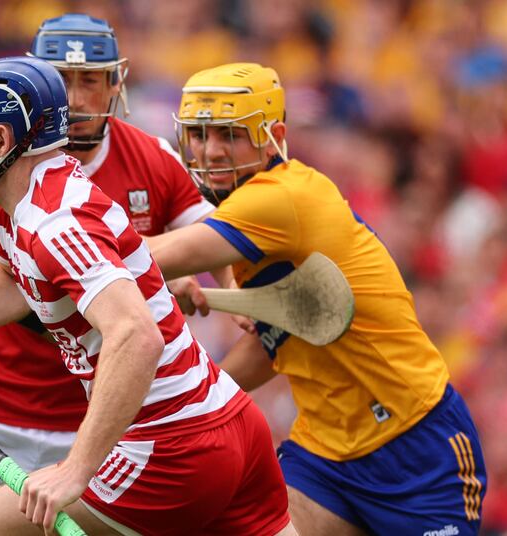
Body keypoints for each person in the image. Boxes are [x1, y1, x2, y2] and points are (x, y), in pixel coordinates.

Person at [0, 56, 295, 535]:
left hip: (170, 446)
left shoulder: (54, 224)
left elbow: (136, 335)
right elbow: (11, 263)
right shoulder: (31, 195)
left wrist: (76, 468)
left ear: (0, 140)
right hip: (228, 418)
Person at [0, 15, 222, 536]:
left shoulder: (147, 160)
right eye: (61, 79)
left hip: (97, 418)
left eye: (90, 79)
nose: (75, 95)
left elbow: (213, 244)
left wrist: (162, 276)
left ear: (116, 83)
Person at [147, 62, 488, 536]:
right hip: (325, 455)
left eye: (231, 134)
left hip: (416, 448)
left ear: (273, 136)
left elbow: (150, 257)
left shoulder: (278, 198)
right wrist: (193, 404)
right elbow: (276, 343)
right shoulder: (252, 221)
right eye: (201, 135)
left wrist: (48, 240)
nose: (212, 151)